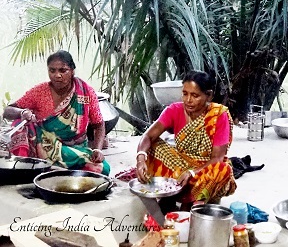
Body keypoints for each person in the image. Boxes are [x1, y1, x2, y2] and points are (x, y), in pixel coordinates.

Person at [135, 70, 237, 210]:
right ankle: (170, 193)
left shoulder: (219, 115)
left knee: (223, 169)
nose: (188, 100)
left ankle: (195, 201)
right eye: (185, 94)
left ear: (209, 95)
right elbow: (148, 136)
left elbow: (217, 158)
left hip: (205, 171)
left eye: (195, 95)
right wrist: (141, 159)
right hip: (180, 165)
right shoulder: (174, 110)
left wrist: (192, 172)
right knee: (151, 146)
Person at [2, 50, 110, 175]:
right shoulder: (40, 92)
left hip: (74, 149)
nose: (57, 75)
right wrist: (22, 113)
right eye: (52, 70)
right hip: (44, 145)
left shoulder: (86, 92)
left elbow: (99, 124)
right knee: (20, 125)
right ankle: (24, 169)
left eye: (63, 70)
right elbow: (8, 111)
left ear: (72, 71)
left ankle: (50, 170)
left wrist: (97, 149)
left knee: (102, 168)